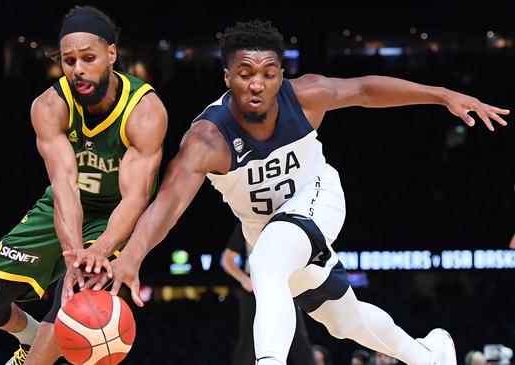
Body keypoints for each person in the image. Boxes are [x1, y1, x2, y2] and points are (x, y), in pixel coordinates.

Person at [82, 20, 509, 365]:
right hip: (265, 228)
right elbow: (169, 202)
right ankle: (429, 355)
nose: (257, 84)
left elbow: (364, 90)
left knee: (267, 260)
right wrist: (132, 257)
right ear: (227, 75)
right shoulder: (206, 140)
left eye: (268, 73)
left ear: (280, 74)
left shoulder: (305, 96)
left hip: (318, 197)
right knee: (345, 321)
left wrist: (442, 95)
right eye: (246, 73)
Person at [0, 5, 167, 365]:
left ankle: (34, 355)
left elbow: (136, 198)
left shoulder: (144, 111)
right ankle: (31, 336)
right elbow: (64, 186)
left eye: (89, 58)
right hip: (64, 203)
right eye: (70, 60)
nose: (78, 69)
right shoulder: (49, 105)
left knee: (72, 300)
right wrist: (73, 254)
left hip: (113, 215)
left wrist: (98, 250)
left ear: (112, 54)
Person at [222, 222, 314, 365]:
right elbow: (227, 260)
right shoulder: (246, 223)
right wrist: (244, 280)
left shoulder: (286, 221)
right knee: (249, 339)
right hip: (254, 289)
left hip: (283, 284)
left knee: (298, 337)